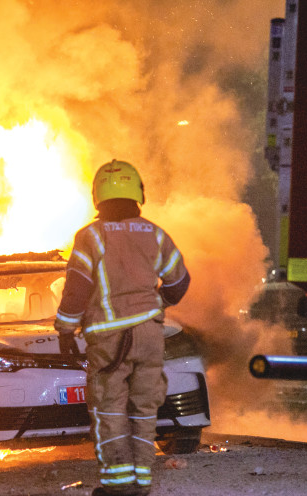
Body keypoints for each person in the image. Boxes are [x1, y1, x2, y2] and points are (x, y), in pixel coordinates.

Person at [53, 160, 191, 496]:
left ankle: (118, 486)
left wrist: (66, 330)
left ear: (97, 197)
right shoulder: (155, 234)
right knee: (144, 408)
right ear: (138, 193)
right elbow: (179, 282)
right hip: (150, 335)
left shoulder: (91, 237)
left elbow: (77, 288)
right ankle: (141, 483)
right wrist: (156, 304)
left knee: (109, 408)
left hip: (110, 338)